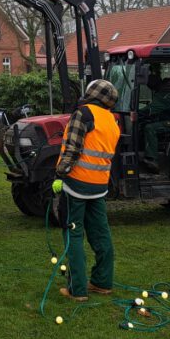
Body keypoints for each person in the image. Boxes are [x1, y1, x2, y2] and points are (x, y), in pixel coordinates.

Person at [51, 78, 121, 302]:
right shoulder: (111, 120)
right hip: (99, 186)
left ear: (90, 94)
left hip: (77, 186)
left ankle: (77, 289)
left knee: (73, 234)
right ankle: (102, 282)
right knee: (101, 233)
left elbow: (72, 148)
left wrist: (60, 174)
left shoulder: (83, 114)